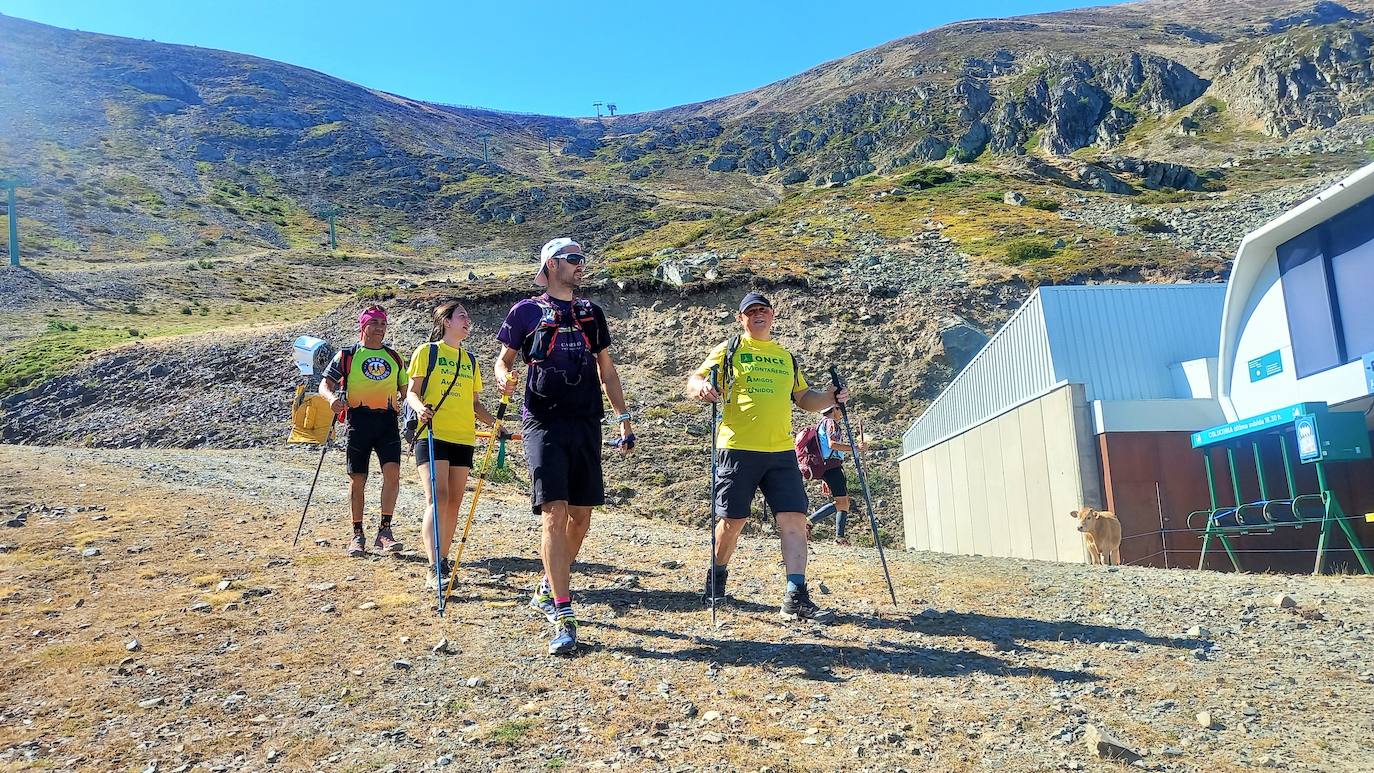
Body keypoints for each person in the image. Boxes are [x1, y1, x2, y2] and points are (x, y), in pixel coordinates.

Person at [495, 237, 634, 656]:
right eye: (574, 260)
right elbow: (505, 359)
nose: (582, 266)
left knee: (581, 516)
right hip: (544, 420)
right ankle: (562, 609)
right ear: (552, 264)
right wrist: (503, 376)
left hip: (586, 420)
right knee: (554, 512)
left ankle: (546, 584)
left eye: (583, 259)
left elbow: (607, 370)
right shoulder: (525, 310)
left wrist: (623, 418)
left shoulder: (592, 312)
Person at [686, 291, 848, 623]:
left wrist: (830, 397)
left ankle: (795, 596)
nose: (758, 315)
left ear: (773, 315)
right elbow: (695, 379)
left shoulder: (786, 357)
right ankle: (716, 579)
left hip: (780, 452)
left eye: (763, 310)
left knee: (795, 521)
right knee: (732, 522)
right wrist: (702, 389)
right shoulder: (730, 350)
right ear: (740, 318)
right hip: (737, 448)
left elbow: (804, 398)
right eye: (751, 311)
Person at [406, 298, 513, 591]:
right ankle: (434, 566)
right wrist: (418, 409)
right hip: (433, 433)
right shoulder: (426, 352)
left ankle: (445, 558)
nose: (468, 321)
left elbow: (475, 404)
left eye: (468, 317)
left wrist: (496, 425)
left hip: (463, 437)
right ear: (446, 322)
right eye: (462, 316)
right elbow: (411, 392)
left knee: (453, 503)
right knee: (437, 498)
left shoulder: (471, 360)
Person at [318, 306, 408, 557]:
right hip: (359, 420)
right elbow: (325, 384)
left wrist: (407, 404)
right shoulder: (347, 355)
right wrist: (331, 400)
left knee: (393, 475)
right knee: (358, 478)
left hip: (387, 421)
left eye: (383, 323)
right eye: (375, 323)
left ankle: (385, 532)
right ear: (363, 326)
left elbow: (406, 389)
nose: (380, 328)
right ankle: (357, 534)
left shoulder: (394, 356)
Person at [807, 405, 861, 544]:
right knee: (842, 502)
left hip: (828, 467)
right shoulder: (831, 423)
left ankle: (839, 536)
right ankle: (810, 523)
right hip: (833, 466)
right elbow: (833, 444)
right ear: (834, 409)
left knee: (844, 501)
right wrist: (856, 448)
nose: (841, 413)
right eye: (840, 410)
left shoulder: (821, 424)